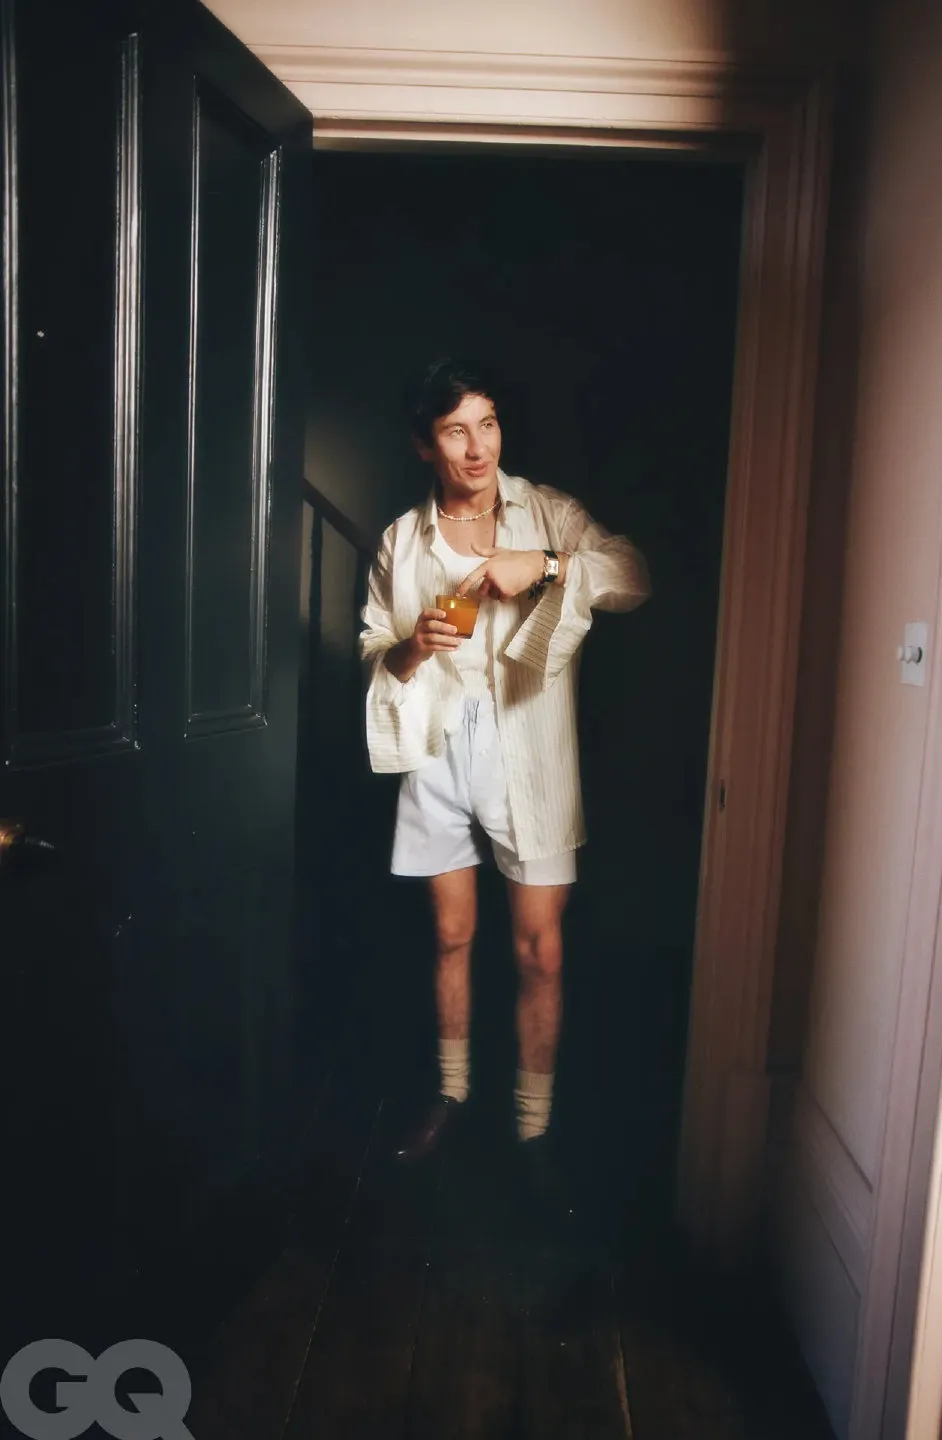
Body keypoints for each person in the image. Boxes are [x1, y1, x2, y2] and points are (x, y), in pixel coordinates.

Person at [359, 357, 650, 1215]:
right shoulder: (402, 541)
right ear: (425, 445)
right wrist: (413, 645)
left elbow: (632, 574)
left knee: (539, 951)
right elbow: (373, 647)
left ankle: (533, 1131)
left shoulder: (545, 510)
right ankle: (451, 1097)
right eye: (455, 430)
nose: (477, 446)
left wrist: (548, 565)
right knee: (451, 937)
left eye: (486, 424)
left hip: (531, 752)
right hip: (437, 753)